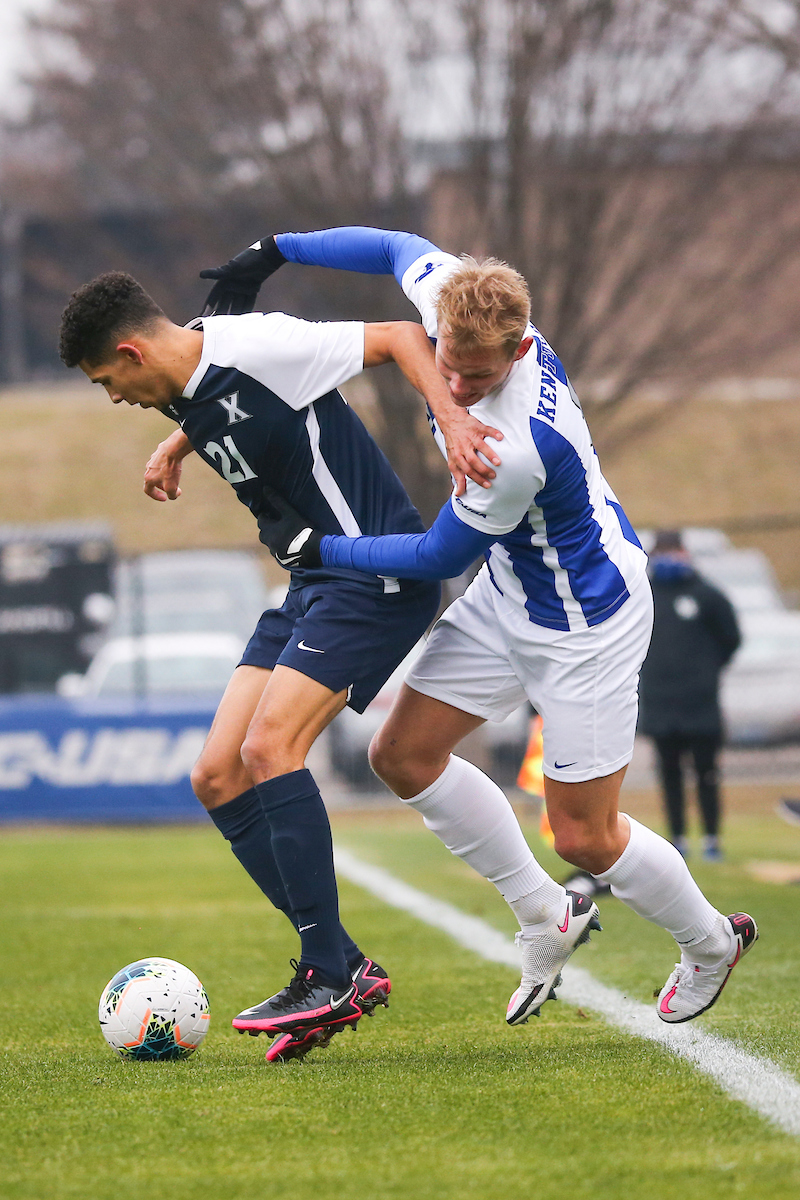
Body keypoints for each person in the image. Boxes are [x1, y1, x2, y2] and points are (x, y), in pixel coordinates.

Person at [205, 226, 758, 1025]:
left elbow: (435, 555)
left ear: (521, 347)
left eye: (475, 376)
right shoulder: (462, 301)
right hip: (512, 592)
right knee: (403, 752)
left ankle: (711, 942)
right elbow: (397, 247)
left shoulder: (514, 445)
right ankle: (546, 915)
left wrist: (322, 547)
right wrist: (276, 249)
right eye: (447, 367)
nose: (454, 389)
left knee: (583, 835)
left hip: (586, 624)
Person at [57, 269, 500, 1061]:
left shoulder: (261, 344)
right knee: (217, 775)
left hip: (373, 576)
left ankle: (327, 971)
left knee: (270, 751)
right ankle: (345, 964)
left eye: (107, 382)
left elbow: (399, 337)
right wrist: (175, 444)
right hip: (310, 582)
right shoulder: (180, 379)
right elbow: (223, 405)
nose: (113, 399)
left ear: (130, 350)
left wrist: (454, 420)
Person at [639, 530, 741, 861]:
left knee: (707, 773)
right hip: (659, 703)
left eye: (674, 551)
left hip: (700, 705)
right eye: (663, 552)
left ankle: (712, 838)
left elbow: (731, 639)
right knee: (669, 774)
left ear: (685, 552)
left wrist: (705, 671)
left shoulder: (707, 595)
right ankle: (677, 838)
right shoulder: (644, 594)